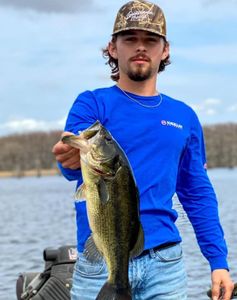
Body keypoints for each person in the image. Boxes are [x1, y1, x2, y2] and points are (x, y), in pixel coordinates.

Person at [52, 0, 234, 299]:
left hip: (165, 264)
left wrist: (218, 262)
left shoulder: (183, 116)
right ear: (113, 48)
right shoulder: (92, 103)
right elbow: (72, 169)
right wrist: (69, 160)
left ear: (165, 50)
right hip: (100, 264)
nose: (141, 47)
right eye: (130, 39)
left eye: (150, 40)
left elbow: (197, 192)